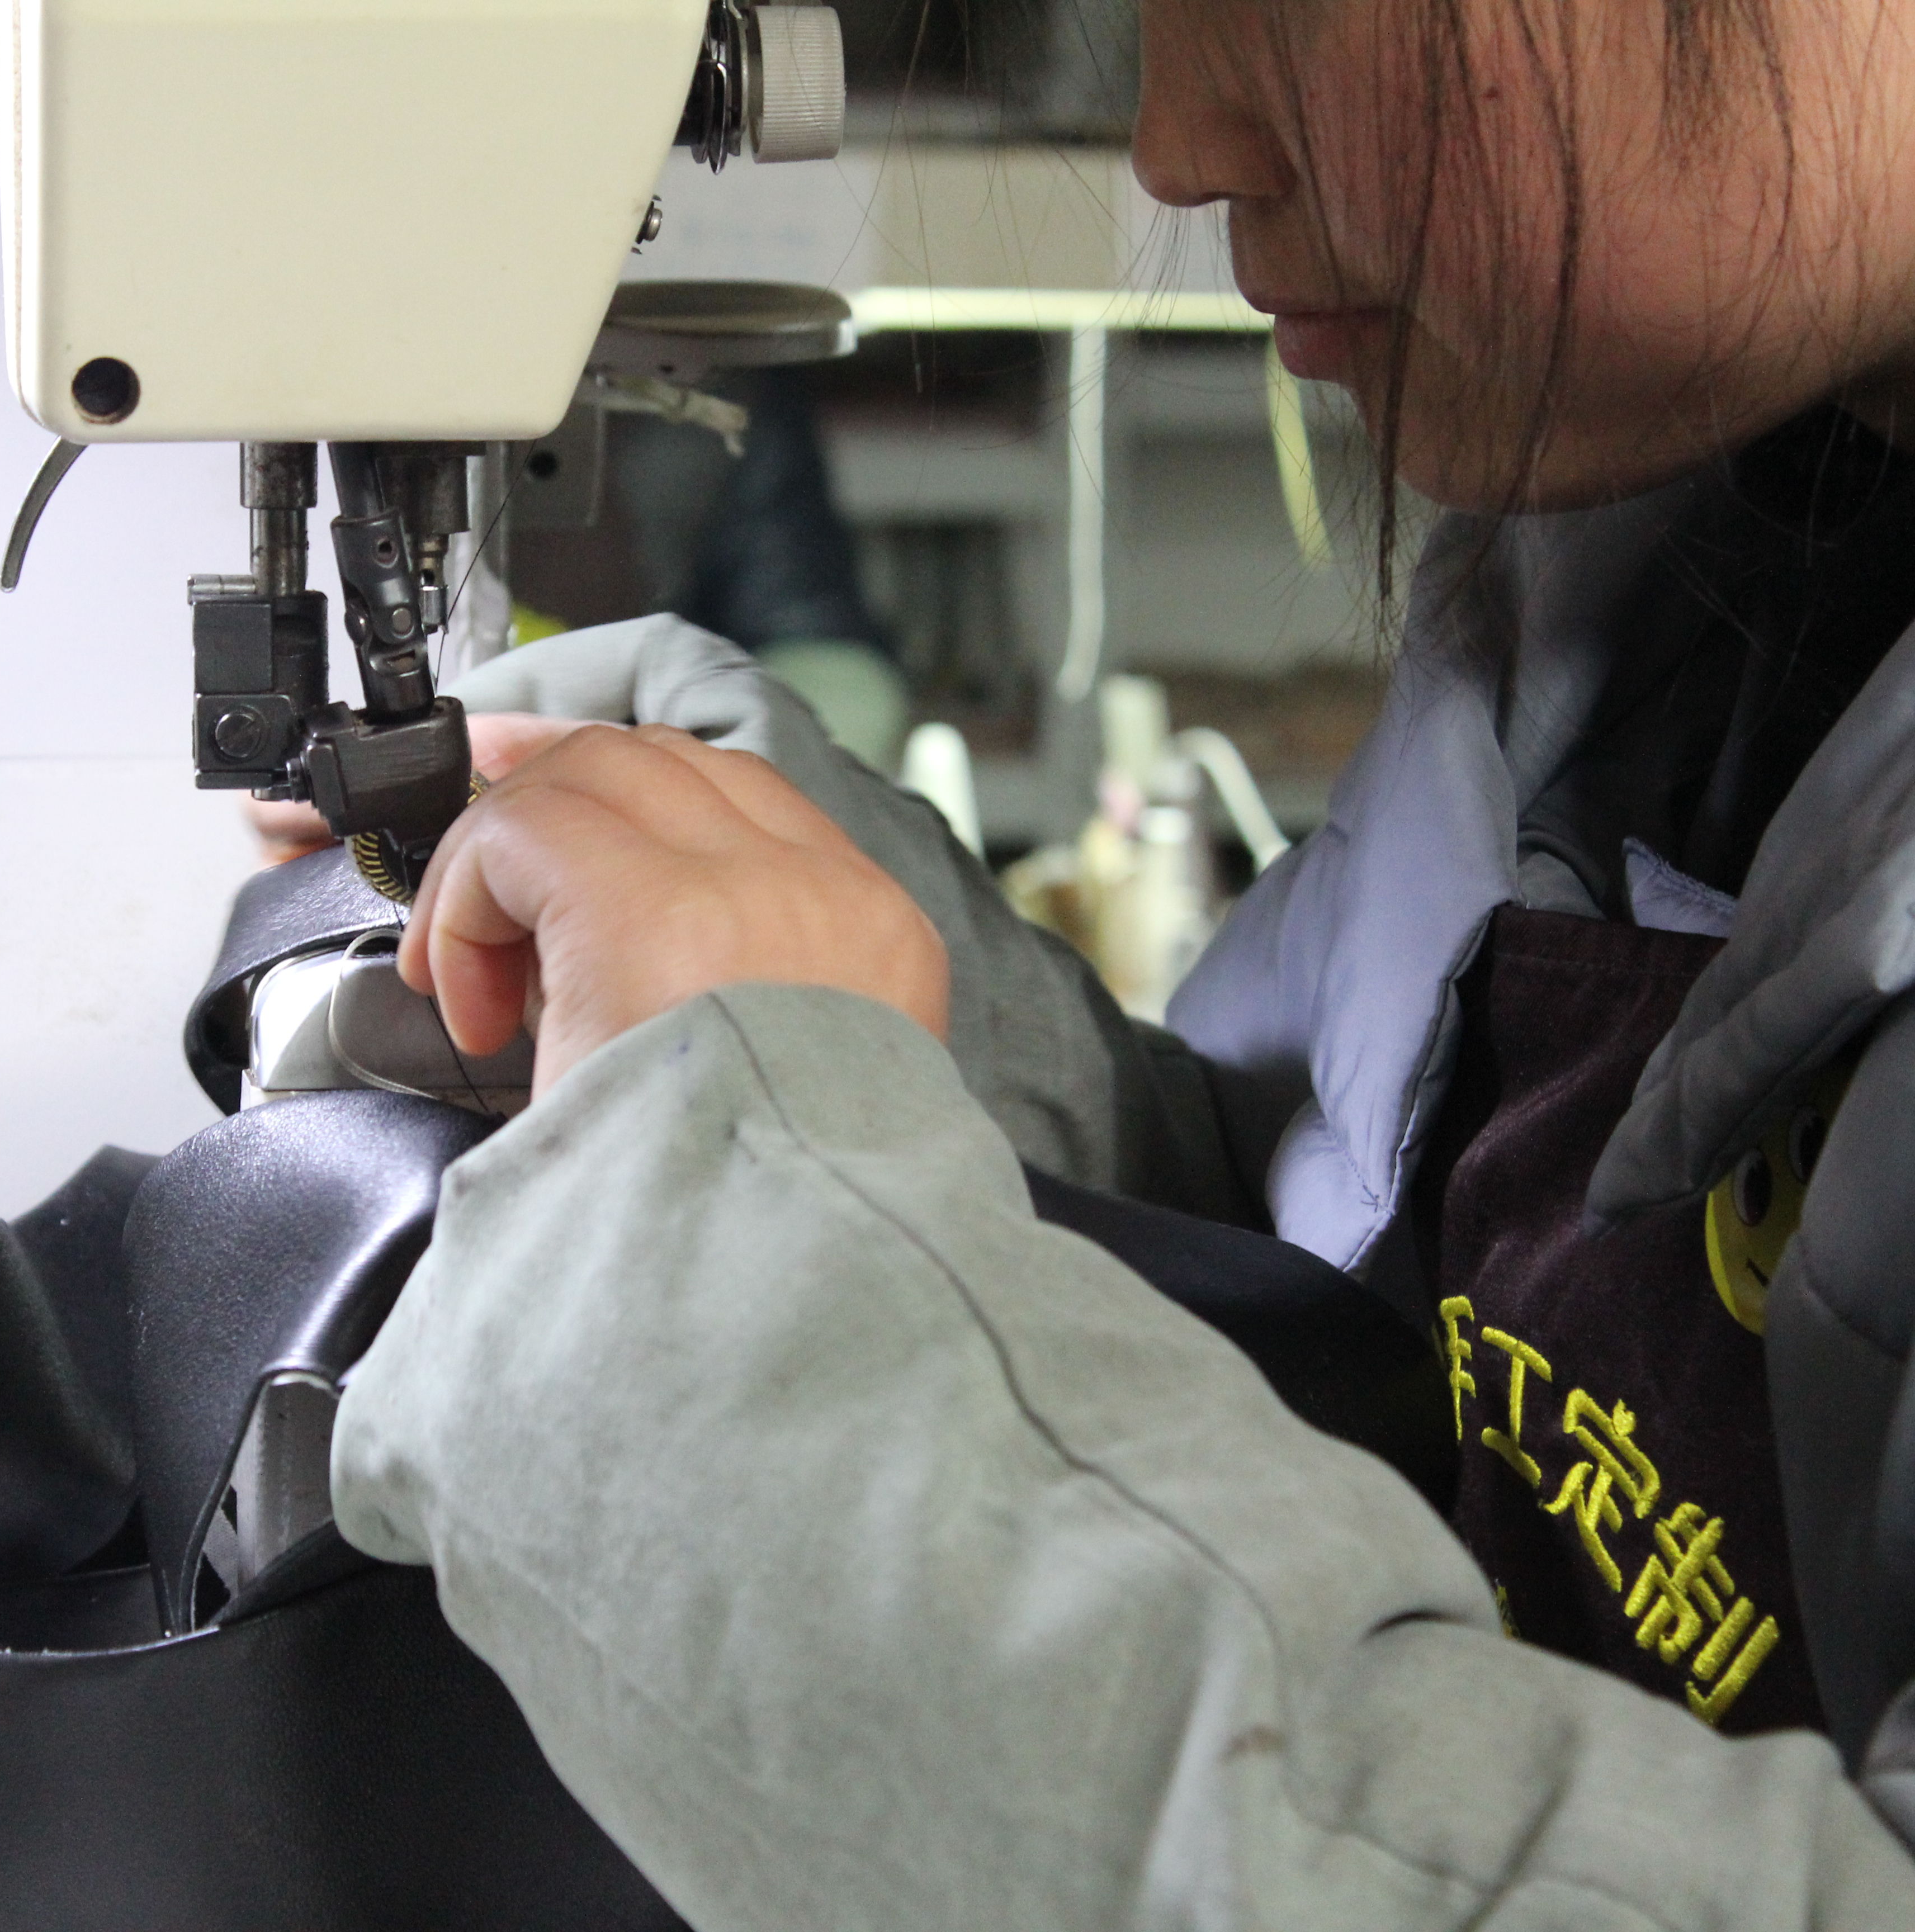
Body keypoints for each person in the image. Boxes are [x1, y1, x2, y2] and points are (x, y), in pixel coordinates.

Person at [283, 0, 1915, 1916]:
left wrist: (744, 1314)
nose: (1181, 139)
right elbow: (1321, 1278)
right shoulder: (1673, 575)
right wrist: (806, 990)